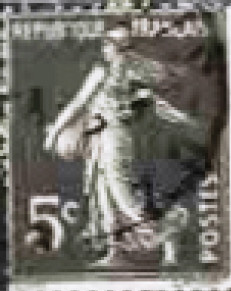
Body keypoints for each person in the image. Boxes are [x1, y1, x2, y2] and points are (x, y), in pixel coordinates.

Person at [43, 21, 208, 266]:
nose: (105, 48)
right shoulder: (132, 71)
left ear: (119, 47)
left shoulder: (113, 72)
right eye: (107, 42)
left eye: (110, 43)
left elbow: (78, 103)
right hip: (100, 136)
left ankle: (169, 231)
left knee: (123, 197)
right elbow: (161, 93)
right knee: (103, 195)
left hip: (114, 137)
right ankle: (114, 253)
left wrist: (53, 133)